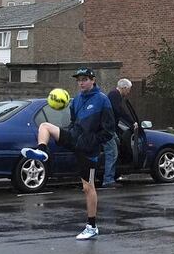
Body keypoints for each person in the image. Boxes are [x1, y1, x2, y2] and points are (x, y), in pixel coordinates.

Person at [21, 67, 115, 240]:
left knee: (88, 187)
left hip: (88, 149)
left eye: (85, 79)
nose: (81, 82)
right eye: (79, 80)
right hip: (74, 138)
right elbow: (74, 122)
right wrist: (70, 132)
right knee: (45, 126)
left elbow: (109, 131)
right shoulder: (77, 99)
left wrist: (91, 141)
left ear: (93, 80)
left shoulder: (102, 100)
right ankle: (42, 151)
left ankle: (92, 226)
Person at [102, 78, 138, 188]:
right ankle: (108, 180)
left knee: (118, 144)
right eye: (129, 90)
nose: (129, 92)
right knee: (112, 154)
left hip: (111, 129)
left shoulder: (114, 95)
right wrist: (132, 122)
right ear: (124, 88)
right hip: (107, 129)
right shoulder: (114, 95)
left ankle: (115, 173)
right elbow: (119, 111)